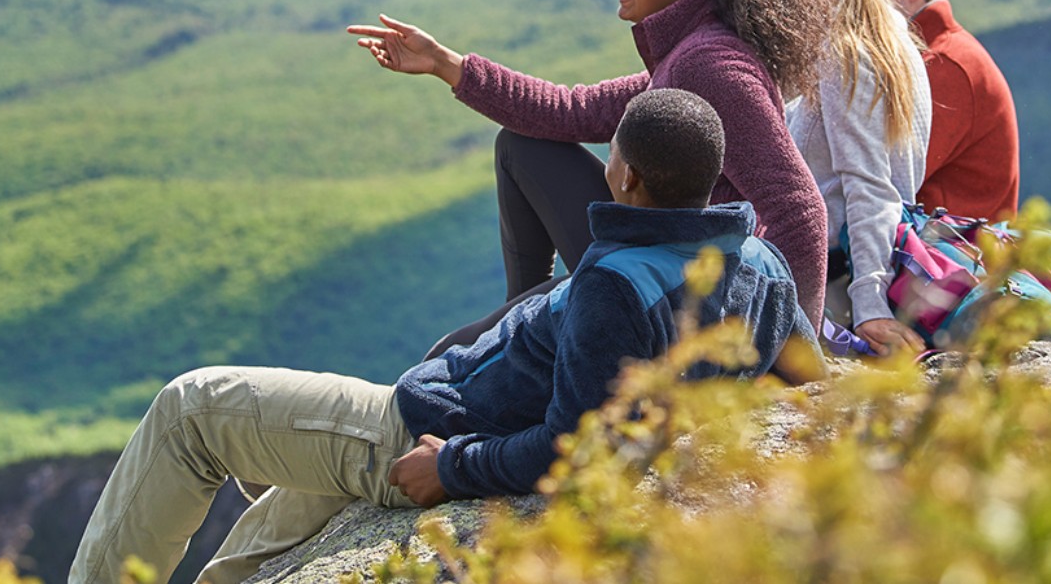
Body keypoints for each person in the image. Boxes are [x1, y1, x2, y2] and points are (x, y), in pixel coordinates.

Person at [68, 89, 821, 584]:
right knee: (241, 568)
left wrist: (455, 468)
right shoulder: (760, 263)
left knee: (191, 408)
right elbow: (810, 378)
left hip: (419, 431)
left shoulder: (616, 285)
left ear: (627, 180)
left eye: (613, 155)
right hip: (449, 421)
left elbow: (578, 442)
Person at [348, 0, 830, 347]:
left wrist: (789, 357)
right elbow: (568, 110)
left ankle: (531, 334)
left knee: (448, 357)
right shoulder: (684, 57)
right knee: (522, 144)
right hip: (658, 263)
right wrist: (444, 64)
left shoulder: (710, 66)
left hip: (678, 294)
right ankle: (533, 329)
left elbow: (799, 210)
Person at [789, 0, 933, 358]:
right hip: (864, 269)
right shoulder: (898, 45)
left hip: (835, 290)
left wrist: (871, 306)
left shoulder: (846, 51)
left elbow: (870, 184)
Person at [890, 0, 1021, 221]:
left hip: (952, 257)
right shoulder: (945, 54)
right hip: (950, 252)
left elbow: (890, 179)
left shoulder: (943, 64)